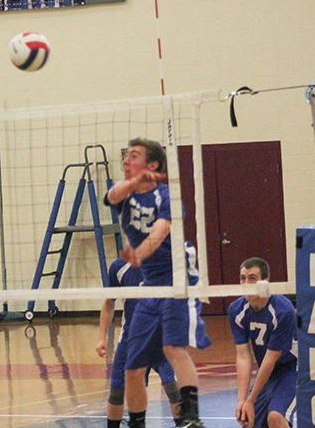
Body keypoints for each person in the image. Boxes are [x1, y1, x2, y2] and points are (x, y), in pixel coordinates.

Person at [103, 139, 210, 428]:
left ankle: (190, 416)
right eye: (125, 156)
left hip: (176, 277)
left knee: (174, 348)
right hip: (150, 284)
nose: (126, 160)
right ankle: (137, 423)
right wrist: (134, 179)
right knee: (133, 369)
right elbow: (111, 197)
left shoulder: (166, 195)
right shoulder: (125, 196)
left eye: (134, 156)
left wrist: (138, 254)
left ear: (153, 165)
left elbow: (161, 231)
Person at [96, 257, 182, 427]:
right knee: (116, 393)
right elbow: (109, 302)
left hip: (162, 341)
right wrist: (102, 338)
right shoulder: (119, 267)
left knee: (174, 390)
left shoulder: (167, 263)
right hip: (130, 341)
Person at [228, 258, 297, 428]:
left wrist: (251, 400)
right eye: (242, 278)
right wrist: (242, 400)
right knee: (246, 418)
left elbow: (270, 358)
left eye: (252, 278)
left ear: (266, 282)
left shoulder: (283, 309)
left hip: (295, 369)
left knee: (275, 417)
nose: (246, 283)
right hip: (271, 373)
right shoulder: (236, 310)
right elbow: (243, 356)